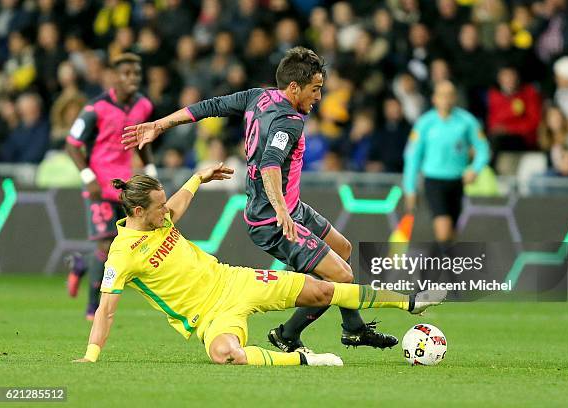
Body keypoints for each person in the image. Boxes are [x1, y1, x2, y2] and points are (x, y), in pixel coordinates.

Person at [122, 47, 398, 352]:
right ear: (295, 87)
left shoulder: (258, 96)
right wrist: (281, 211)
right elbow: (270, 163)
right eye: (315, 89)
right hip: (272, 217)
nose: (318, 97)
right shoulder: (290, 120)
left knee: (343, 249)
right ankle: (289, 334)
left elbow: (210, 106)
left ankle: (352, 328)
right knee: (341, 276)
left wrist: (161, 124)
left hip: (289, 206)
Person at [73, 169, 446, 365]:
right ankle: (300, 359)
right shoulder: (121, 255)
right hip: (208, 318)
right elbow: (106, 310)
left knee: (322, 290)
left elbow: (178, 203)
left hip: (235, 281)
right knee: (224, 354)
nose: (165, 210)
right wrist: (91, 357)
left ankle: (408, 301)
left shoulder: (161, 218)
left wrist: (199, 178)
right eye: (158, 207)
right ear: (138, 213)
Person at [65, 53, 156, 320]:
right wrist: (87, 177)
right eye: (126, 73)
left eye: (136, 74)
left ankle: (81, 263)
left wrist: (150, 170)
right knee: (105, 244)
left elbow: (144, 140)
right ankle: (93, 307)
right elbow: (72, 144)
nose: (132, 78)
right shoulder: (96, 108)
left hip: (128, 186)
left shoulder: (143, 106)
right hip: (100, 187)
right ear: (114, 77)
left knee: (122, 243)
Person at [403, 80, 489, 274]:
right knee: (443, 230)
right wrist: (409, 188)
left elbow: (483, 149)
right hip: (434, 181)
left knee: (450, 235)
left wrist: (474, 168)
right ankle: (454, 284)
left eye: (450, 95)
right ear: (434, 98)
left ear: (455, 97)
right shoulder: (425, 123)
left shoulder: (466, 121)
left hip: (457, 183)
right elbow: (412, 157)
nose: (446, 99)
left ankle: (425, 274)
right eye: (442, 95)